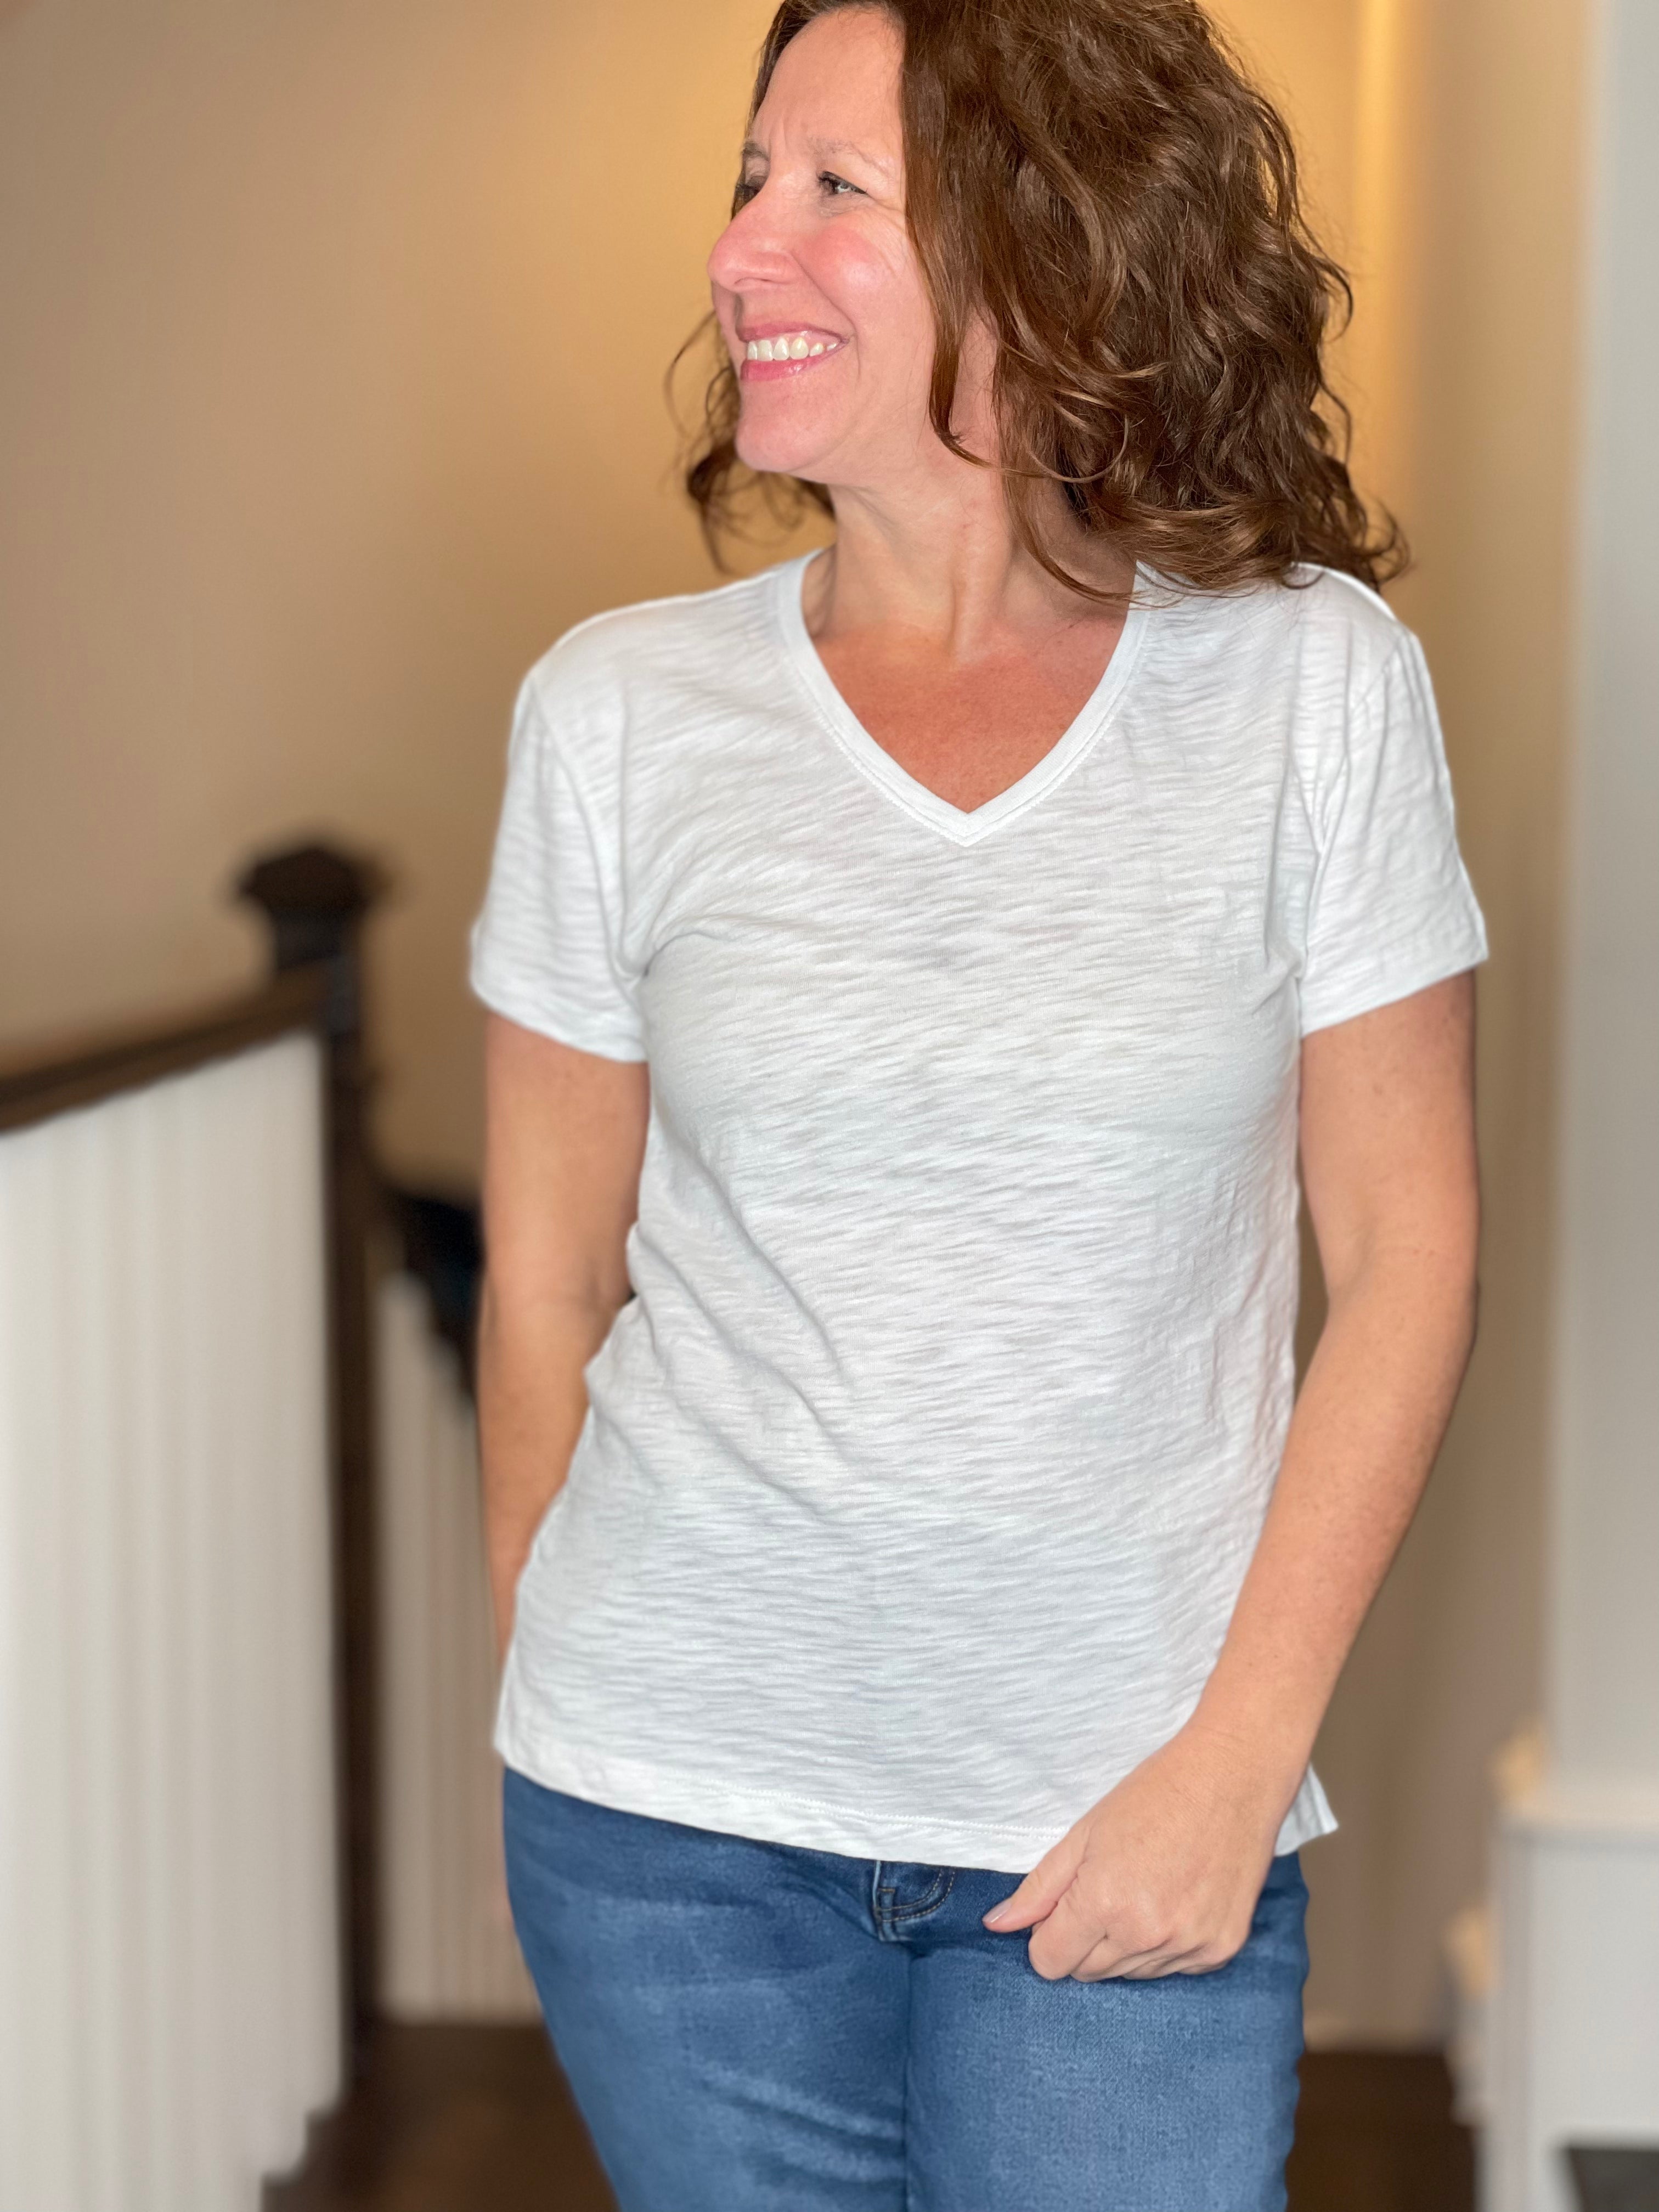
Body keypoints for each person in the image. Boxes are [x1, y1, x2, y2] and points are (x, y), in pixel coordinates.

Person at [469, 1, 1487, 2204]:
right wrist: (572, 1676)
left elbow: (1408, 1256)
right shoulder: (616, 717)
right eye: (751, 177)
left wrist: (1240, 1759)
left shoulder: (1311, 688)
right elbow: (543, 1273)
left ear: (1057, 248)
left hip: (1131, 1812)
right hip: (673, 1838)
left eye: (838, 187)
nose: (745, 246)